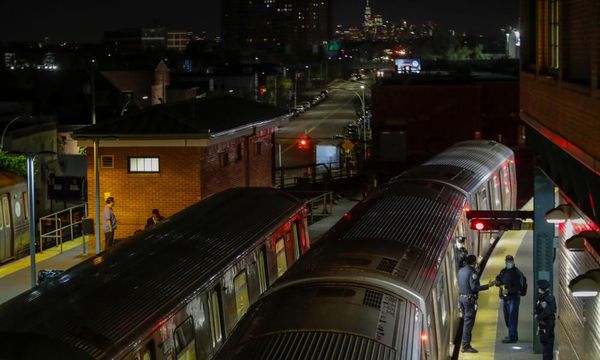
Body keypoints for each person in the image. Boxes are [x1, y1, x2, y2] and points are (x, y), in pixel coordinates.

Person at [458, 254, 495, 353]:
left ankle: (465, 344)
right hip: (469, 300)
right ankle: (465, 346)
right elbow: (474, 287)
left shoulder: (461, 271)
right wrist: (488, 285)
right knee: (468, 323)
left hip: (461, 298)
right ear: (474, 262)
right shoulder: (472, 272)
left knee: (466, 321)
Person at [495, 254, 525, 343]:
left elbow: (520, 286)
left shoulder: (517, 273)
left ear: (513, 261)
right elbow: (499, 279)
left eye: (510, 261)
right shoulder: (503, 271)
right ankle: (511, 333)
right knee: (507, 318)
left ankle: (513, 336)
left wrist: (509, 290)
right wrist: (497, 282)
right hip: (505, 299)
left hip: (513, 298)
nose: (508, 263)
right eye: (507, 261)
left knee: (512, 318)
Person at [535, 279, 556, 360]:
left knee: (547, 343)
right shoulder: (544, 297)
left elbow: (548, 311)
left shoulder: (547, 299)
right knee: (546, 343)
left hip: (547, 324)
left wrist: (538, 316)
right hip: (545, 324)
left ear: (541, 288)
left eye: (539, 288)